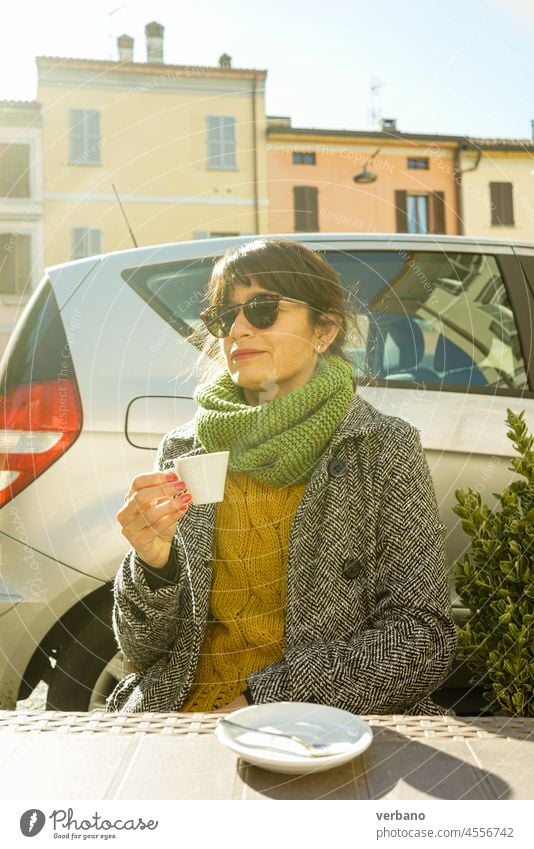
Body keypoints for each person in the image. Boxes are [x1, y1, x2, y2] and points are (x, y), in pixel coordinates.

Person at [107, 238, 457, 715]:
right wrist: (152, 565)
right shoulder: (185, 448)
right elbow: (142, 651)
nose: (239, 329)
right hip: (182, 716)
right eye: (224, 317)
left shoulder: (379, 446)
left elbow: (425, 635)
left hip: (321, 723)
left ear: (324, 331)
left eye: (264, 308)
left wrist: (268, 698)